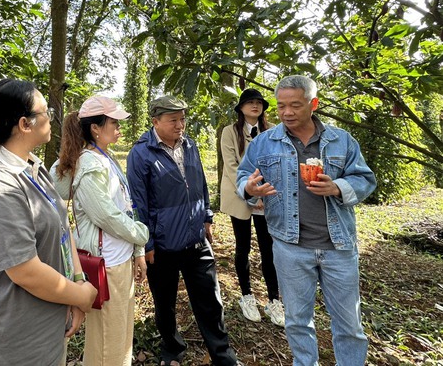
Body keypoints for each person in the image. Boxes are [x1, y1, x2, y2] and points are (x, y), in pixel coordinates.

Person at [0, 79, 97, 366]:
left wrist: (77, 280)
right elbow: (25, 271)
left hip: (45, 327)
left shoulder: (31, 167)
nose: (51, 119)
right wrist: (81, 296)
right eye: (46, 112)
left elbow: (61, 227)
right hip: (12, 342)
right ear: (25, 124)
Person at [237, 75, 377, 366]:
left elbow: (365, 179)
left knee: (349, 324)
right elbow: (244, 176)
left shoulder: (341, 140)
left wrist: (337, 187)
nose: (287, 113)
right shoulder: (265, 143)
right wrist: (249, 189)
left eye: (295, 105)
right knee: (298, 321)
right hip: (290, 246)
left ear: (313, 104)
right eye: (281, 106)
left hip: (338, 246)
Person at [127, 96, 240, 366]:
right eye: (173, 120)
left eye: (182, 119)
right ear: (155, 122)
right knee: (164, 303)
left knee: (210, 301)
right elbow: (138, 204)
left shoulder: (190, 145)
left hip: (196, 240)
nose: (180, 125)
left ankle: (223, 357)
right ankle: (172, 349)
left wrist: (207, 216)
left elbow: (200, 182)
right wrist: (148, 244)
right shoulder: (141, 153)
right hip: (163, 245)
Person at [50, 96, 149, 366]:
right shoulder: (91, 164)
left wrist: (138, 250)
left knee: (118, 336)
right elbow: (105, 214)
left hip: (118, 258)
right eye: (113, 122)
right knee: (109, 341)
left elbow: (125, 205)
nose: (119, 127)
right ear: (95, 127)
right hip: (107, 263)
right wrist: (141, 235)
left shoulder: (106, 158)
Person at [220, 88, 284, 327]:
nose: (255, 106)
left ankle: (273, 299)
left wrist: (263, 191)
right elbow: (231, 165)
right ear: (241, 108)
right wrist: (250, 191)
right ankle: (247, 295)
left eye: (259, 102)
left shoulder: (272, 132)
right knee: (243, 245)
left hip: (266, 196)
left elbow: (278, 163)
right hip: (240, 195)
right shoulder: (229, 132)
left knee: (269, 248)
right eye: (250, 102)